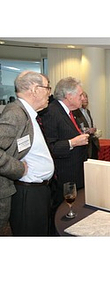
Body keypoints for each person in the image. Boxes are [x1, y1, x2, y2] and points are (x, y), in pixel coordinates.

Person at [0, 71, 54, 236]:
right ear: (35, 89)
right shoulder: (15, 113)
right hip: (27, 194)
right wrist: (18, 169)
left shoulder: (28, 114)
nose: (50, 93)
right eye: (47, 88)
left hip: (38, 191)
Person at [40, 77, 89, 223]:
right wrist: (72, 142)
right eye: (80, 95)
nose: (83, 98)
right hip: (63, 176)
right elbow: (50, 147)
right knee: (60, 216)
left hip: (75, 172)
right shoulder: (52, 112)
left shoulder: (71, 112)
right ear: (69, 96)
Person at [73, 91, 100, 159]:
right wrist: (87, 130)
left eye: (86, 97)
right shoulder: (75, 112)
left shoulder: (87, 111)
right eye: (83, 97)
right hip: (83, 143)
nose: (85, 99)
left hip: (92, 142)